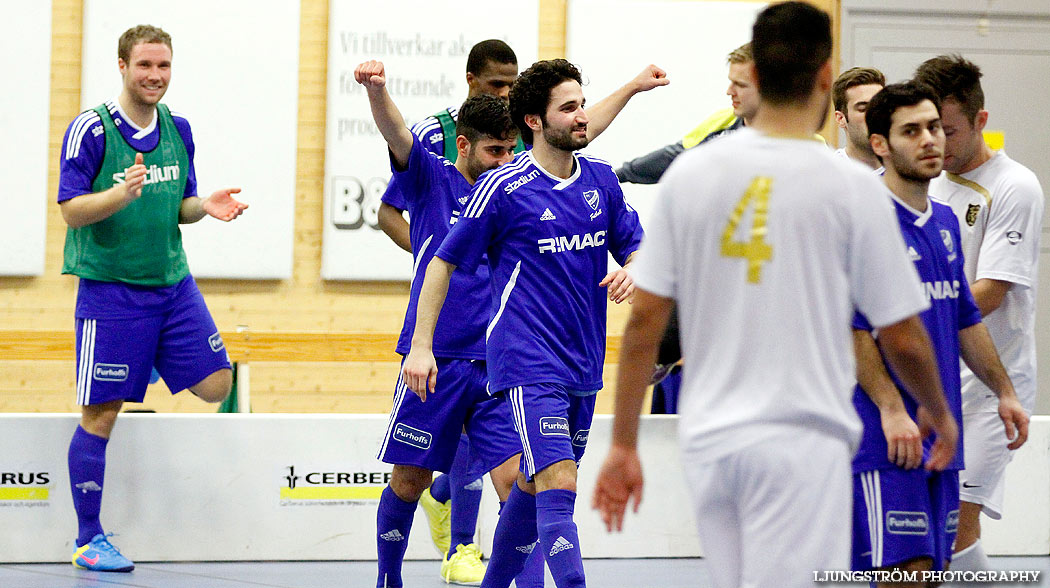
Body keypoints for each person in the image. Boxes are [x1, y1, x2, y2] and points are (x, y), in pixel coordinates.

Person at [591, 4, 959, 588]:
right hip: (802, 443)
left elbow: (644, 326)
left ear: (754, 77)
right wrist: (938, 412)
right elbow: (902, 333)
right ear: (824, 77)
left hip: (710, 444)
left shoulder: (691, 176)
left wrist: (623, 445)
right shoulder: (852, 189)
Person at [375, 41, 664, 583]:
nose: (583, 116)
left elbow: (637, 245)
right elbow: (441, 261)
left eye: (584, 105)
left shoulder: (600, 179)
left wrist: (636, 267)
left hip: (583, 364)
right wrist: (420, 344)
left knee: (528, 490)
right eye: (570, 108)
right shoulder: (503, 189)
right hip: (524, 363)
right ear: (535, 120)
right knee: (556, 484)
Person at [58, 25, 248, 573]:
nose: (155, 76)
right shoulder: (90, 130)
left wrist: (202, 207)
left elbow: (181, 204)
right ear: (122, 66)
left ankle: (138, 362)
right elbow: (70, 209)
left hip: (172, 284)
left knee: (217, 383)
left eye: (163, 66)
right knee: (102, 412)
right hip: (111, 290)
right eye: (145, 66)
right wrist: (118, 194)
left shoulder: (178, 129)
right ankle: (88, 539)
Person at [357, 60, 526, 587]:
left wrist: (633, 88)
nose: (505, 160)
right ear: (464, 147)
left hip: (499, 366)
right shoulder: (432, 180)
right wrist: (378, 90)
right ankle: (389, 578)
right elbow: (396, 131)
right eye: (494, 151)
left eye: (511, 150)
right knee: (409, 480)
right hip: (434, 361)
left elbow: (575, 136)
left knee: (521, 486)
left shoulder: (517, 190)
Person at [851, 81, 1026, 584]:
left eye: (933, 127)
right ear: (880, 143)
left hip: (943, 433)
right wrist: (889, 407)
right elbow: (852, 330)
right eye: (911, 131)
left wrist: (1006, 392)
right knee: (907, 571)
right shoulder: (862, 221)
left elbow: (965, 318)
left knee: (932, 570)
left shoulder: (946, 222)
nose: (930, 140)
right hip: (886, 436)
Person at [915, 54, 1042, 577]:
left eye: (947, 130)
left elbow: (988, 291)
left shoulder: (1015, 185)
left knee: (957, 526)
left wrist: (901, 319)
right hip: (929, 379)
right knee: (924, 529)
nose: (936, 142)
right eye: (926, 129)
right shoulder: (923, 180)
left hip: (990, 389)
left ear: (980, 121)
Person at [614, 43, 756, 185]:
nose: (729, 91)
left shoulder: (777, 143)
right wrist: (613, 177)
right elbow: (673, 158)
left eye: (741, 85)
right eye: (731, 82)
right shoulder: (725, 120)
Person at [832, 66, 885, 169]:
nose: (875, 114)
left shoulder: (907, 171)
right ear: (840, 119)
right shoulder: (827, 171)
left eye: (880, 106)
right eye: (863, 109)